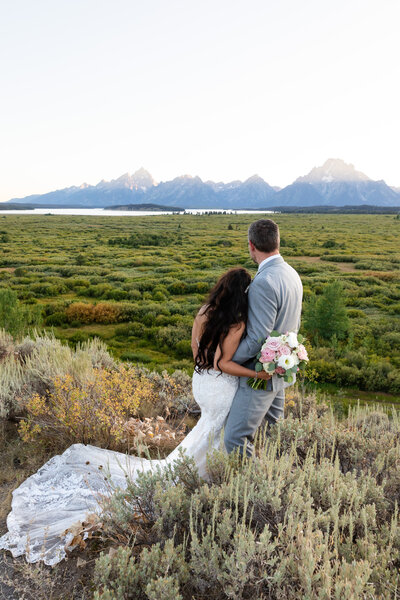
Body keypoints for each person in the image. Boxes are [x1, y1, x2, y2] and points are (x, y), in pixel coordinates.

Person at [0, 268, 268, 566]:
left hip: (201, 381)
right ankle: (207, 481)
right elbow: (222, 362)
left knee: (207, 430)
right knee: (216, 431)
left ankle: (204, 477)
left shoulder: (205, 310)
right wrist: (258, 373)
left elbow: (197, 351)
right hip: (220, 384)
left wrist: (204, 368)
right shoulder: (236, 323)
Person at [224, 219, 303, 457]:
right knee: (274, 436)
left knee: (236, 438)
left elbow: (259, 337)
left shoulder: (264, 282)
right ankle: (275, 483)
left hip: (260, 376)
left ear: (251, 245)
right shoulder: (292, 274)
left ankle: (255, 490)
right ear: (278, 242)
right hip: (281, 372)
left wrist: (229, 360)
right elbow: (294, 325)